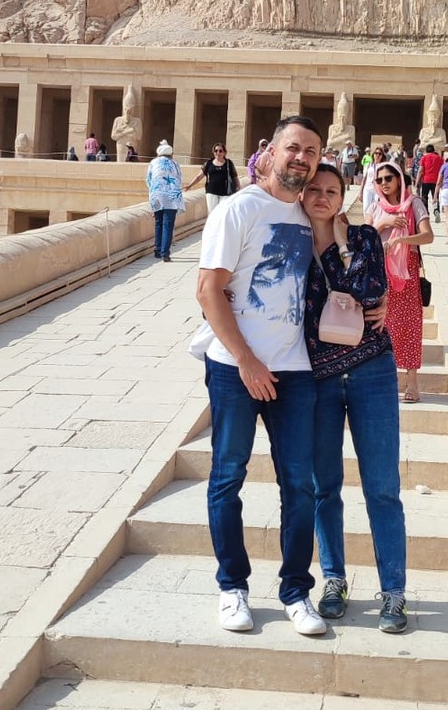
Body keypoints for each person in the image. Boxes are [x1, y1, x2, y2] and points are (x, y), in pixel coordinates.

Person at [195, 116, 325, 636]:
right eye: (294, 147)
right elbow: (208, 289)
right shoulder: (238, 209)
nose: (302, 158)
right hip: (235, 368)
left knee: (300, 483)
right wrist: (247, 360)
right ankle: (232, 587)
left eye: (311, 151)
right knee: (228, 476)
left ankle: (296, 590)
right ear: (270, 152)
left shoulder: (311, 213)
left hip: (295, 369)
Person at [301, 164, 408, 634]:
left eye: (332, 190)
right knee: (324, 486)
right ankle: (333, 579)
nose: (322, 197)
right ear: (301, 195)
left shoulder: (364, 237)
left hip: (372, 370)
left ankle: (394, 590)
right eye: (314, 189)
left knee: (382, 487)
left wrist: (343, 244)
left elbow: (371, 292)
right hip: (317, 378)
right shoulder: (289, 244)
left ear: (343, 196)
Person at [366, 161, 433, 403]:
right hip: (379, 272)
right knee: (381, 324)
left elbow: (428, 236)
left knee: (409, 325)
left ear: (399, 179)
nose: (384, 183)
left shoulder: (413, 203)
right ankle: (383, 379)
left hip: (406, 271)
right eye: (379, 179)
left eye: (388, 178)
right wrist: (384, 223)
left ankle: (411, 382)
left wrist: (400, 241)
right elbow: (365, 238)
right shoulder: (375, 207)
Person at [146, 140, 185, 262]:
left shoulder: (153, 163)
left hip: (156, 195)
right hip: (171, 197)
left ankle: (158, 250)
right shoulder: (175, 164)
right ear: (170, 154)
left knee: (158, 223)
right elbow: (179, 179)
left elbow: (148, 180)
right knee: (168, 224)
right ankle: (165, 253)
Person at [189, 143, 240, 213]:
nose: (218, 153)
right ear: (213, 152)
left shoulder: (229, 163)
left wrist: (238, 186)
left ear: (224, 152)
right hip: (211, 191)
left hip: (225, 192)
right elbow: (199, 176)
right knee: (213, 213)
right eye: (216, 151)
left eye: (220, 151)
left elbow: (234, 176)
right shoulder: (209, 163)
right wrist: (190, 185)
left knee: (223, 213)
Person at [415, 142, 443, 222]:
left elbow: (420, 171)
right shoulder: (439, 158)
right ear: (434, 151)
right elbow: (442, 170)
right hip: (436, 181)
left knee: (424, 197)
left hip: (426, 180)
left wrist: (417, 182)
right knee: (435, 197)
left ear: (426, 151)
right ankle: (436, 210)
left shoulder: (424, 158)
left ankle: (426, 213)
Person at [361, 146, 386, 215]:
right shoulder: (369, 165)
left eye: (379, 154)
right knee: (366, 207)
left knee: (376, 208)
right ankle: (367, 221)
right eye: (376, 153)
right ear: (373, 154)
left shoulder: (383, 166)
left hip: (377, 189)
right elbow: (364, 178)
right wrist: (360, 191)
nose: (377, 155)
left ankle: (374, 221)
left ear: (382, 156)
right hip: (368, 188)